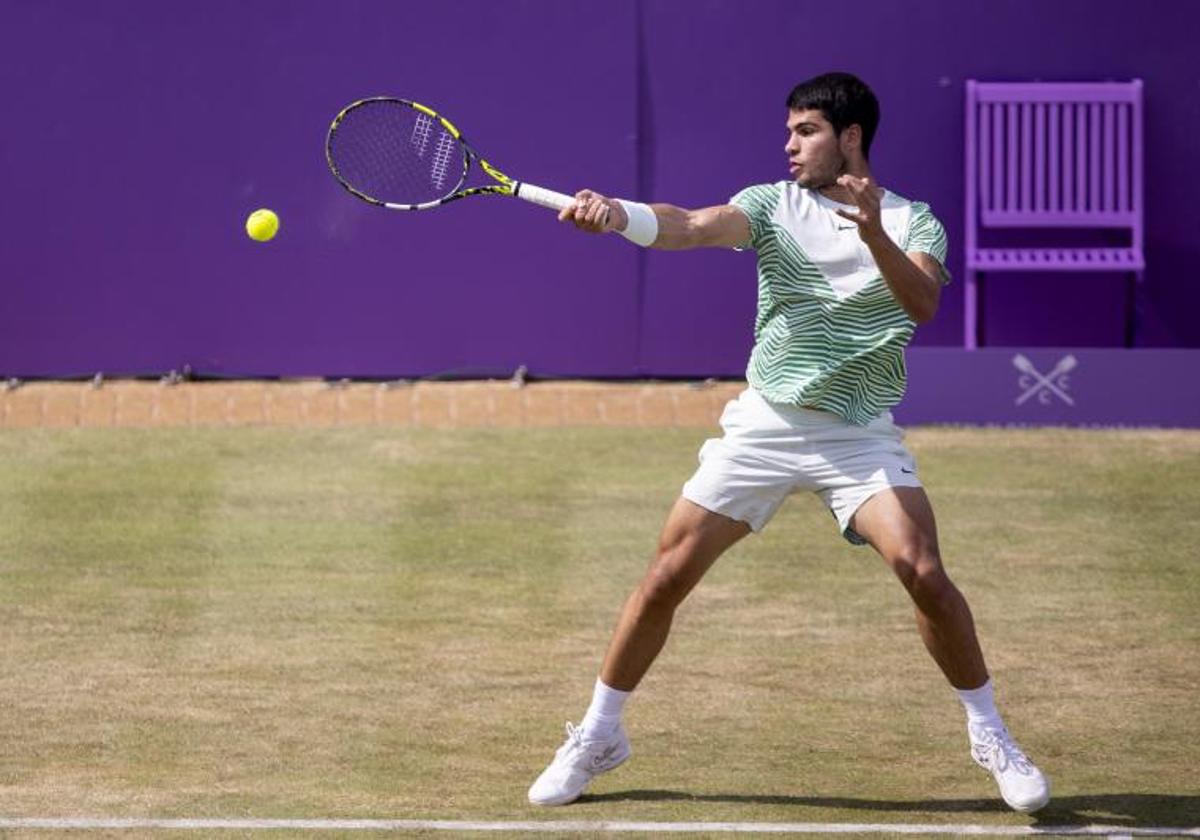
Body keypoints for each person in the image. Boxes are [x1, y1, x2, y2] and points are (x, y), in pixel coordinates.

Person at [527, 72, 1050, 814]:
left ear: (851, 138)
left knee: (924, 570)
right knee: (665, 577)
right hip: (767, 426)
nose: (790, 145)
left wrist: (869, 230)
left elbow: (924, 303)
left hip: (858, 434)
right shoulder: (772, 204)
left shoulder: (913, 223)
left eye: (805, 131)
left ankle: (990, 732)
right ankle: (599, 735)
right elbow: (692, 225)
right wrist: (620, 217)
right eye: (789, 131)